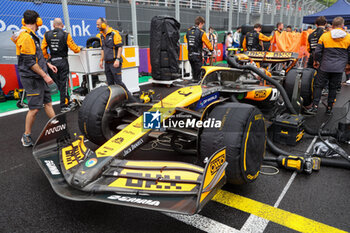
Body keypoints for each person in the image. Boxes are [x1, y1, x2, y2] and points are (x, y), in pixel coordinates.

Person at [11, 10, 57, 147]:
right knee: (34, 108)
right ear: (38, 21)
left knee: (48, 102)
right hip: (31, 77)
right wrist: (45, 75)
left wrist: (47, 65)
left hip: (39, 74)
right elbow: (30, 62)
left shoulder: (31, 36)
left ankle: (59, 126)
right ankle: (26, 136)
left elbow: (37, 57)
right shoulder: (26, 37)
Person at [306, 17, 350, 115]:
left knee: (318, 85)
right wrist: (348, 66)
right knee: (333, 88)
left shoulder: (325, 36)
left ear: (332, 25)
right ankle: (329, 108)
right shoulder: (348, 37)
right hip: (339, 68)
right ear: (342, 25)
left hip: (325, 66)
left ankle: (315, 107)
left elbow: (317, 52)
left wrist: (317, 61)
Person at [42, 18, 81, 112]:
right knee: (64, 84)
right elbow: (75, 49)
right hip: (63, 62)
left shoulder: (47, 34)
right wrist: (79, 49)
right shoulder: (65, 34)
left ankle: (66, 100)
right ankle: (64, 105)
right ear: (62, 25)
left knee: (60, 85)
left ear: (53, 25)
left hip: (52, 63)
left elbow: (43, 48)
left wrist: (47, 56)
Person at [96, 17, 132, 94]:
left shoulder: (114, 34)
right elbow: (103, 49)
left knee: (118, 82)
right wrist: (101, 60)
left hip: (114, 62)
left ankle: (129, 97)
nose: (97, 26)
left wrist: (118, 59)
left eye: (98, 25)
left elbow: (119, 47)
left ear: (104, 24)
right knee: (110, 83)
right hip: (107, 63)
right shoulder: (101, 36)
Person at [185, 16, 213, 81]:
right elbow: (207, 43)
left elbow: (186, 41)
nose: (202, 27)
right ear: (200, 23)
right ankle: (197, 85)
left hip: (190, 55)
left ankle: (193, 82)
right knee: (198, 73)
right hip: (197, 55)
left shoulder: (188, 32)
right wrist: (211, 49)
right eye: (202, 25)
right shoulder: (201, 33)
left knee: (193, 71)